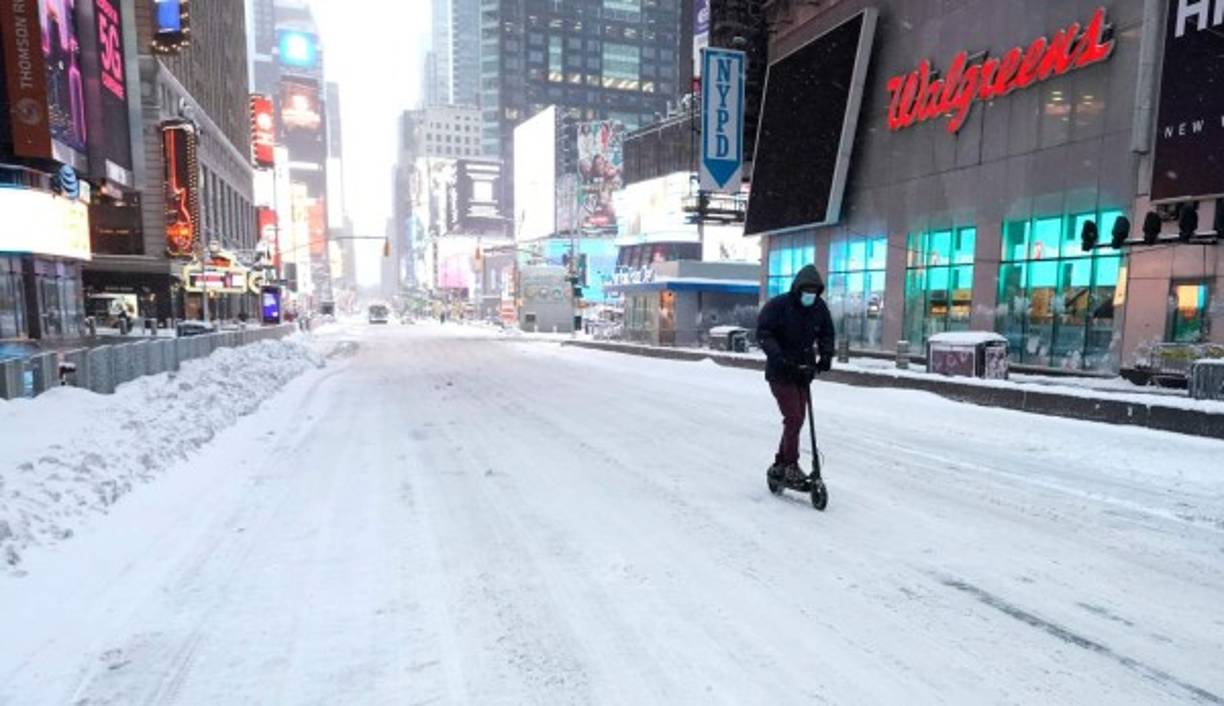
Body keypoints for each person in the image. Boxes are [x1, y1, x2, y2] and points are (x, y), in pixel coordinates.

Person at [756, 264, 836, 483]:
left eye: (813, 292)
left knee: (797, 419)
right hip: (781, 372)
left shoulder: (819, 308)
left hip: (803, 372)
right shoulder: (779, 306)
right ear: (797, 289)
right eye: (806, 292)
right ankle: (790, 464)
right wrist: (779, 358)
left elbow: (827, 333)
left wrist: (826, 356)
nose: (809, 296)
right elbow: (764, 333)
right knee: (794, 417)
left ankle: (780, 463)